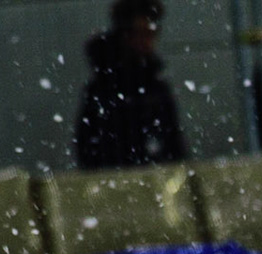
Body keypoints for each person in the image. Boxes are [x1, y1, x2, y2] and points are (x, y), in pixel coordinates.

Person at [75, 0, 188, 170]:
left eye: (151, 32)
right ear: (125, 35)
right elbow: (89, 148)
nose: (147, 41)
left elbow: (173, 144)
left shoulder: (155, 87)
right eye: (141, 33)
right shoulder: (104, 89)